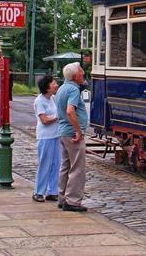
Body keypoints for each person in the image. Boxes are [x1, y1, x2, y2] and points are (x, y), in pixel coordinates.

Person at [55, 62, 89, 212]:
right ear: (75, 76)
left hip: (63, 132)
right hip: (72, 133)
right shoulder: (74, 89)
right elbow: (70, 111)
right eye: (81, 71)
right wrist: (78, 131)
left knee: (65, 166)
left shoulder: (62, 88)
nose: (83, 73)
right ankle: (73, 201)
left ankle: (62, 198)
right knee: (77, 168)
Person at [32, 75, 60, 202]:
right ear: (47, 87)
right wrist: (57, 118)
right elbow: (44, 120)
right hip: (45, 136)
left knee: (56, 164)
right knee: (44, 164)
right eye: (53, 83)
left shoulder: (53, 99)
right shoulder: (40, 101)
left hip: (55, 135)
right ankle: (38, 191)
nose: (56, 85)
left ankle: (52, 191)